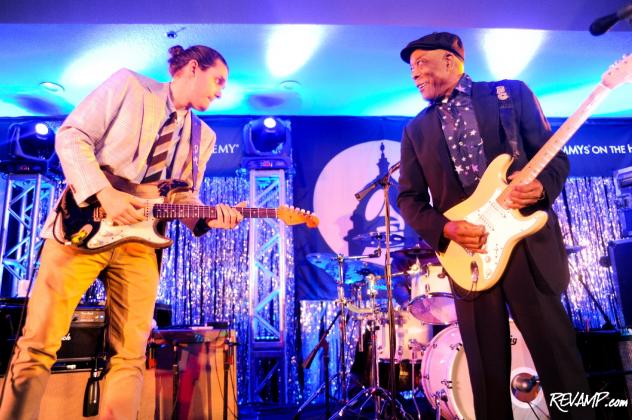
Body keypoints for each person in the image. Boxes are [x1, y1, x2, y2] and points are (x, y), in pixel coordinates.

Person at [0, 45, 244, 420]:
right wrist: (105, 193)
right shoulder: (129, 86)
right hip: (85, 226)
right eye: (218, 80)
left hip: (141, 244)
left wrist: (209, 217)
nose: (221, 91)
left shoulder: (203, 136)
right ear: (192, 68)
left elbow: (181, 196)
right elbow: (72, 135)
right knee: (38, 345)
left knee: (130, 355)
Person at [397, 32, 594, 419]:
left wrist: (540, 188)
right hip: (468, 255)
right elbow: (408, 199)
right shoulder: (415, 130)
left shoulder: (510, 95)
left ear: (451, 61)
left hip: (524, 246)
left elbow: (555, 158)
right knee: (485, 372)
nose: (414, 74)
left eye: (422, 63)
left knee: (558, 360)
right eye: (411, 69)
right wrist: (445, 229)